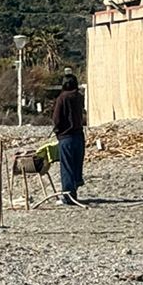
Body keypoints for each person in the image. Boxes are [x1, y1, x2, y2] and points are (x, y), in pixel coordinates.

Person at [51, 74, 86, 205]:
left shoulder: (62, 98)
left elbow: (56, 118)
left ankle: (68, 195)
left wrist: (57, 130)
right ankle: (74, 191)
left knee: (67, 166)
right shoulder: (79, 97)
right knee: (77, 164)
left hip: (66, 137)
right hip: (79, 135)